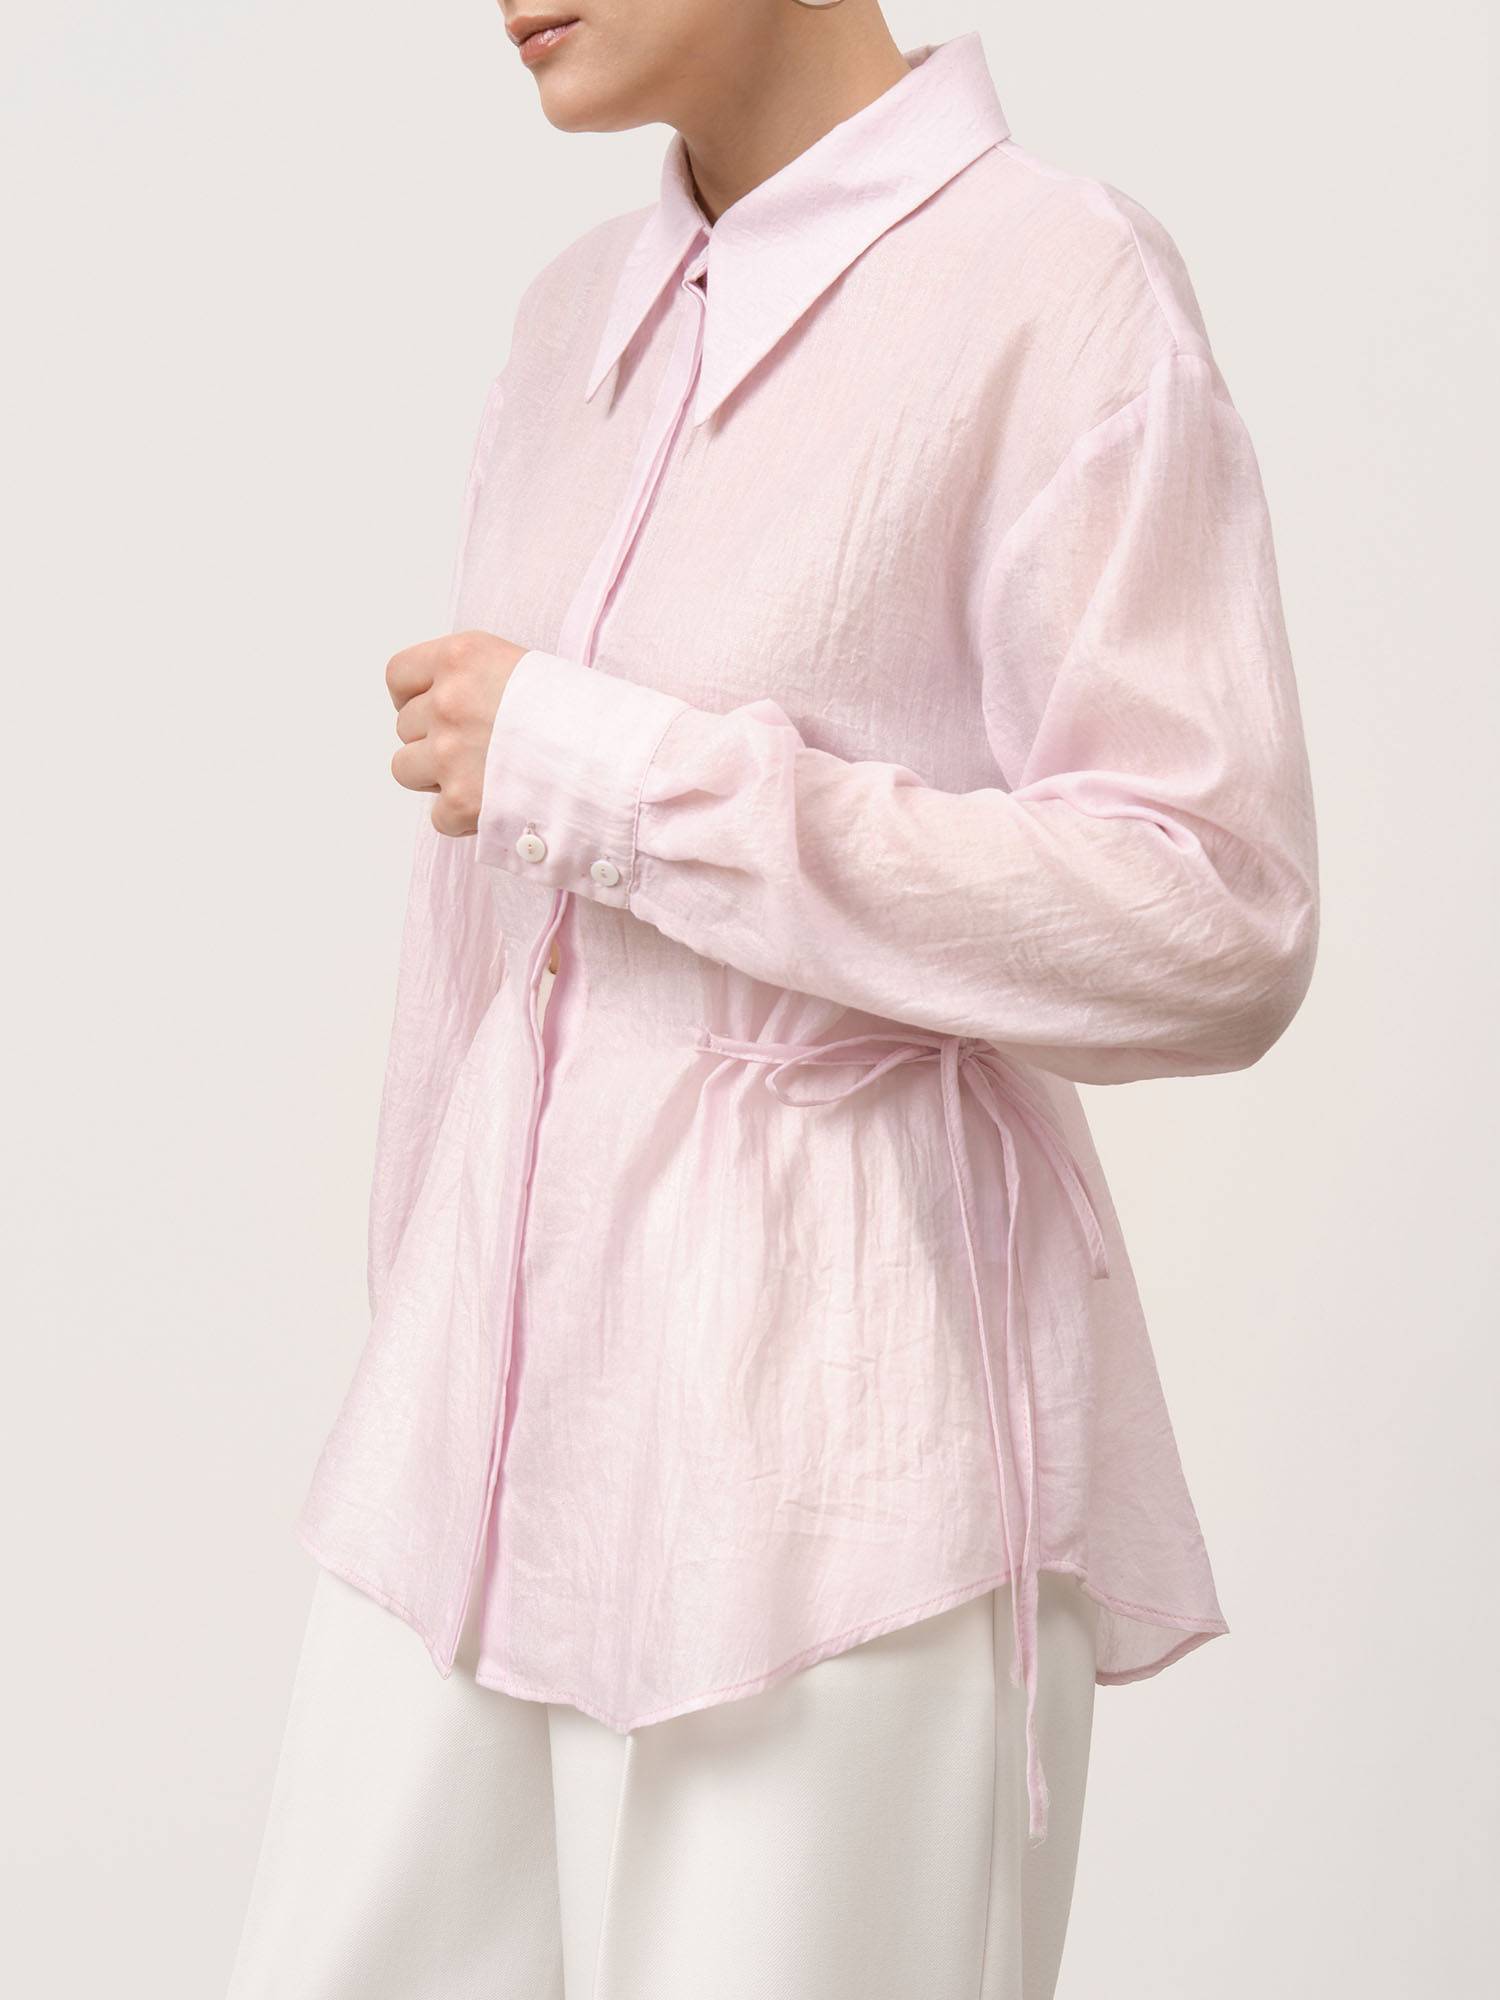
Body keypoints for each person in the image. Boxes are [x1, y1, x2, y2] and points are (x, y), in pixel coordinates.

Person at [225, 3, 1318, 1995]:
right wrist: (420, 1331)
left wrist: (631, 781)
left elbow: (1218, 914)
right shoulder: (570, 323)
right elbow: (471, 942)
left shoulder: (1054, 283)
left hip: (839, 1472)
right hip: (474, 1453)